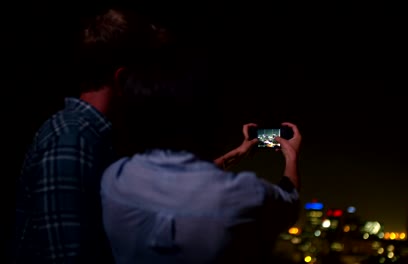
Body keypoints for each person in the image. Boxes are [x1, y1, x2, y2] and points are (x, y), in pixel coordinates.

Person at [13, 8, 171, 263]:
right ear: (124, 79)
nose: (156, 92)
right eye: (150, 80)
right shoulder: (71, 141)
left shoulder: (94, 139)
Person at [100, 66, 303, 264]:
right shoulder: (243, 194)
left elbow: (184, 180)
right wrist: (291, 154)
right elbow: (289, 201)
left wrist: (238, 153)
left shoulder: (116, 178)